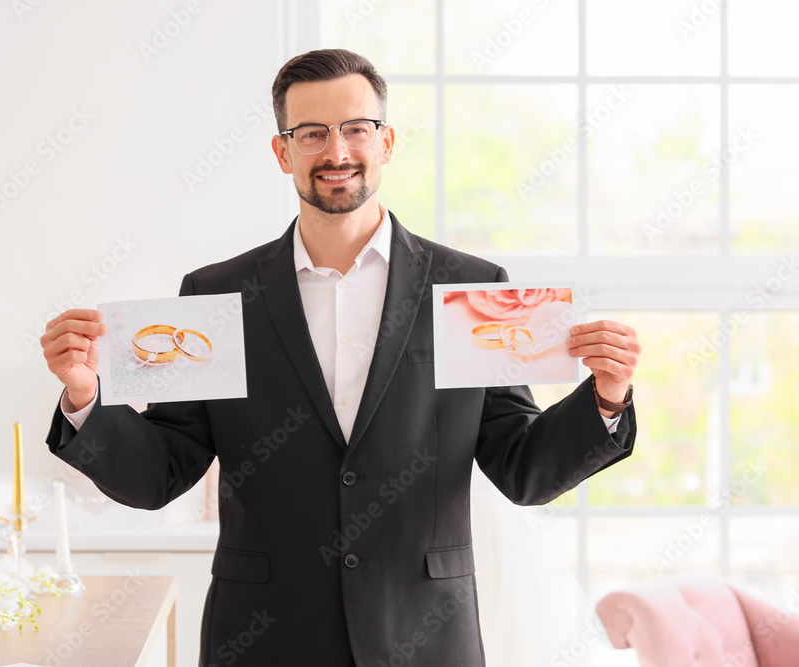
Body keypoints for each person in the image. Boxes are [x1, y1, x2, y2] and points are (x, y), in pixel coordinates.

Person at [41, 49, 640, 666]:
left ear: (386, 142)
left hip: (423, 632)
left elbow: (522, 467)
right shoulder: (216, 297)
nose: (337, 152)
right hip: (264, 636)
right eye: (311, 134)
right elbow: (161, 472)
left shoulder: (472, 290)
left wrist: (606, 399)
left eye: (357, 129)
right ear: (283, 153)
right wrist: (86, 397)